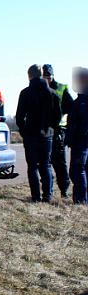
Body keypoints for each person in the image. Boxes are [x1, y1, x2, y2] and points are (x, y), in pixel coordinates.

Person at [15, 64, 62, 203]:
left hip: (30, 134)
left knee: (33, 167)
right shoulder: (53, 93)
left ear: (29, 75)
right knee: (46, 165)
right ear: (41, 74)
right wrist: (51, 128)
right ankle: (47, 195)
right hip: (46, 135)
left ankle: (36, 196)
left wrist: (24, 131)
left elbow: (19, 117)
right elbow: (57, 116)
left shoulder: (25, 93)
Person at [42, 64, 74, 199]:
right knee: (45, 162)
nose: (47, 79)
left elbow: (71, 107)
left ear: (53, 75)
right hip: (44, 129)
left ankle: (64, 190)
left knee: (59, 162)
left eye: (49, 76)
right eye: (45, 76)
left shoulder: (61, 88)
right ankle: (47, 191)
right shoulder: (40, 88)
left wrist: (59, 115)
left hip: (58, 130)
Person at [66, 67, 88, 204]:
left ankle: (81, 201)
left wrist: (75, 136)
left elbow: (83, 124)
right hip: (80, 141)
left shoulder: (83, 102)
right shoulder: (79, 100)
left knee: (78, 170)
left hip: (81, 142)